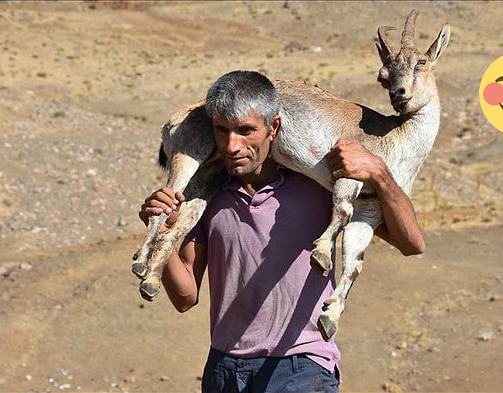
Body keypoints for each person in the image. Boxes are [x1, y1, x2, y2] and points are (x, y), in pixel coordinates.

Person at [139, 70, 424, 393]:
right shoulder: (206, 197)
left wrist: (379, 173)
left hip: (300, 368)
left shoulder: (318, 185)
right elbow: (185, 296)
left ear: (273, 127)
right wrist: (159, 231)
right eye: (222, 131)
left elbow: (411, 242)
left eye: (246, 131)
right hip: (224, 370)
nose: (233, 145)